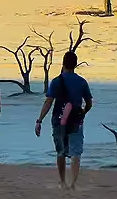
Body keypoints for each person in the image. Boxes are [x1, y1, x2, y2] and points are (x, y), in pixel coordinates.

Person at [34, 50, 93, 190]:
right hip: (76, 121)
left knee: (60, 151)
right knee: (76, 152)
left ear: (63, 63)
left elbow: (48, 102)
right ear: (76, 64)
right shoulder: (82, 82)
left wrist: (39, 120)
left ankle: (62, 182)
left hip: (58, 120)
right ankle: (72, 184)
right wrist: (83, 113)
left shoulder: (56, 81)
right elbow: (89, 103)